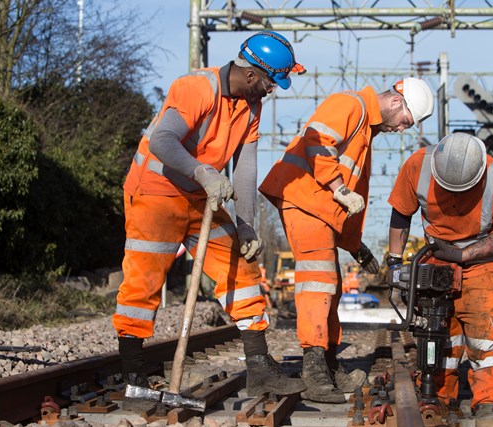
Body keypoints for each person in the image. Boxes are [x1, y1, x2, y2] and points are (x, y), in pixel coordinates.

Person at [112, 31, 307, 398]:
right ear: (252, 75)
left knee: (241, 269)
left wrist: (246, 225)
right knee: (143, 281)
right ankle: (133, 375)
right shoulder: (196, 87)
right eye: (270, 82)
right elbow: (162, 141)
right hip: (157, 193)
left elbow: (245, 166)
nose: (271, 90)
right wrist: (202, 172)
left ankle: (259, 367)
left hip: (202, 197)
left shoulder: (251, 106)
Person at [259, 77, 436, 403]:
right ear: (397, 103)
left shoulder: (365, 131)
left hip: (316, 206)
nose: (401, 129)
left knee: (332, 285)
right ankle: (313, 371)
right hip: (303, 200)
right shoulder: (350, 103)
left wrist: (356, 247)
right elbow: (317, 141)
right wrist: (339, 187)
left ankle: (326, 363)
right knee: (318, 281)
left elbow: (347, 202)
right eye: (406, 122)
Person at [385, 132, 493, 426]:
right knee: (438, 333)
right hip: (437, 257)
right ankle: (438, 395)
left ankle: (491, 403)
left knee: (485, 337)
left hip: (485, 264)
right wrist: (395, 262)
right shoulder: (418, 166)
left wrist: (463, 255)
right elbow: (401, 212)